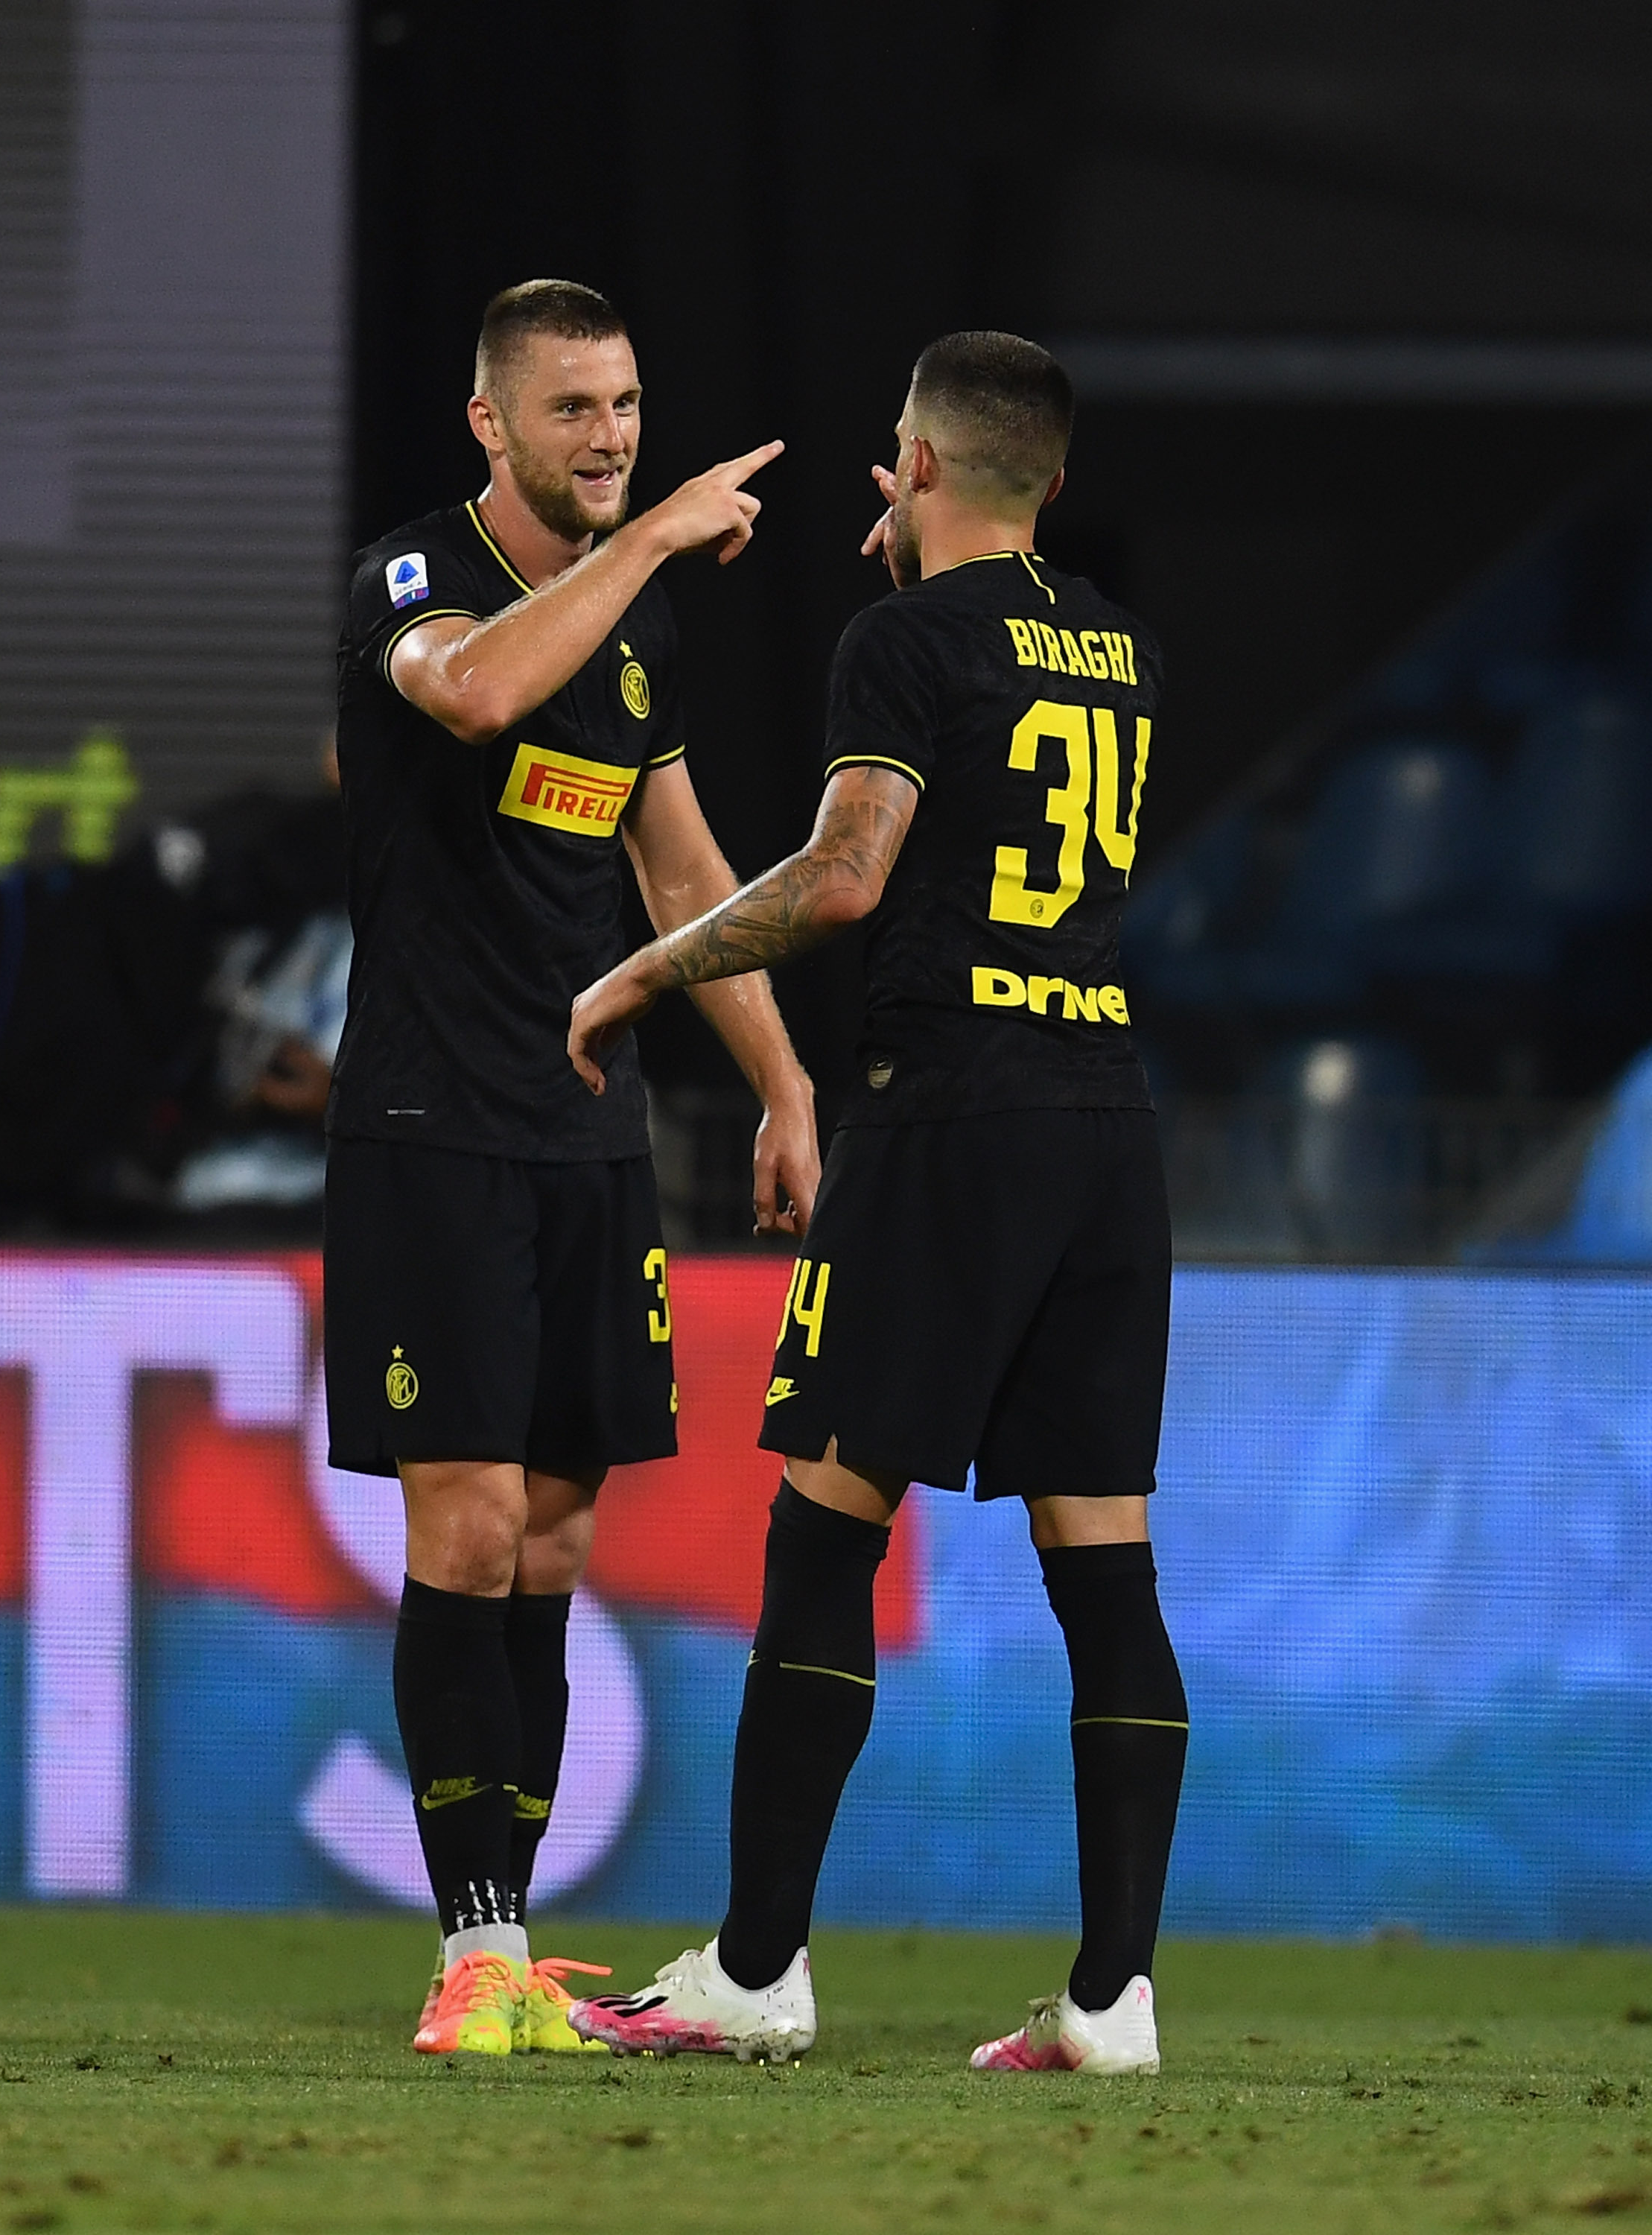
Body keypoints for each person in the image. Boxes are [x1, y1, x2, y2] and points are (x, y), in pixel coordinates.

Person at [563, 332, 1186, 2074]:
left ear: (910, 464)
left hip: (953, 1117)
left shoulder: (900, 642)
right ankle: (1115, 1999)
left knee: (828, 1528)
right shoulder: (1123, 650)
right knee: (1106, 1565)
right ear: (1050, 478)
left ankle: (756, 1970)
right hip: (1104, 1122)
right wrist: (934, 575)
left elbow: (846, 880)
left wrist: (644, 972)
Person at [325, 279, 821, 2057]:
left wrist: (783, 1085)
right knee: (463, 1526)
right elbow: (472, 694)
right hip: (432, 1131)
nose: (610, 439)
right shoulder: (413, 576)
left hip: (588, 1139)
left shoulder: (638, 626)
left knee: (552, 1537)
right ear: (492, 425)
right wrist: (661, 537)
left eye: (625, 405)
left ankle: (515, 1944)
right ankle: (471, 1952)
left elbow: (681, 876)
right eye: (573, 410)